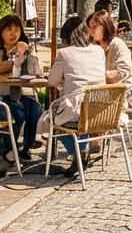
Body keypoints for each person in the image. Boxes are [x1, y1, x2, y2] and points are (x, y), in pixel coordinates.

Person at [38, 18, 108, 176]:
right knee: (76, 116)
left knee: (49, 120)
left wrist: (65, 78)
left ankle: (78, 152)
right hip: (102, 109)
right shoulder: (99, 51)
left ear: (67, 38)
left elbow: (51, 81)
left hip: (77, 111)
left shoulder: (65, 53)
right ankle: (82, 152)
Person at [0, 15, 41, 166]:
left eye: (17, 29)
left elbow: (35, 72)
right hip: (2, 95)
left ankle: (25, 148)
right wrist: (15, 60)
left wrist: (27, 54)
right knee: (17, 112)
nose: (13, 33)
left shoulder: (24, 49)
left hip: (18, 94)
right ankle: (8, 150)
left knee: (35, 110)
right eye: (9, 29)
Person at [87, 11, 132, 112]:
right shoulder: (94, 47)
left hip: (123, 94)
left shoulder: (118, 45)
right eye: (89, 28)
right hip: (101, 91)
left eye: (94, 27)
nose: (90, 31)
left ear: (105, 27)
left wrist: (98, 76)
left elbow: (123, 73)